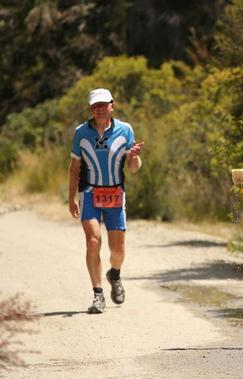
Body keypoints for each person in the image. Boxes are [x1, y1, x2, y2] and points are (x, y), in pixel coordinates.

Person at [68, 88, 143, 314]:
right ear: (91, 108)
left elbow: (134, 169)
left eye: (104, 104)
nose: (99, 109)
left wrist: (133, 156)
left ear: (112, 105)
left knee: (117, 249)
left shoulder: (125, 130)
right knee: (93, 241)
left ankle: (115, 274)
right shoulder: (81, 132)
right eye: (95, 105)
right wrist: (71, 198)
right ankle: (98, 295)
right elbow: (74, 168)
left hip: (115, 194)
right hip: (89, 193)